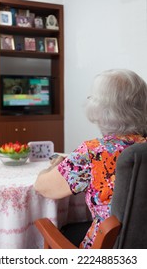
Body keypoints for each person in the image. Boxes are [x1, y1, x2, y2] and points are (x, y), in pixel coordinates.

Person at [34, 69, 147, 249]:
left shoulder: (93, 152)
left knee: (60, 229)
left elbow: (43, 188)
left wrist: (52, 168)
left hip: (105, 247)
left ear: (99, 108)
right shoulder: (142, 148)